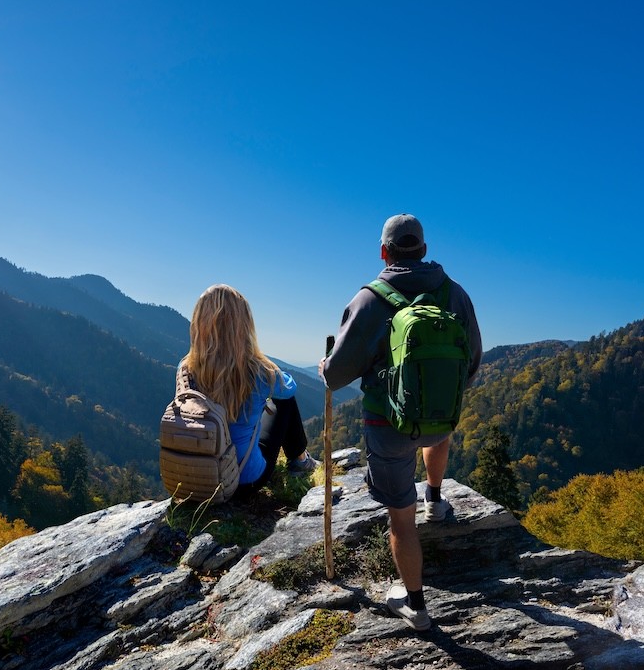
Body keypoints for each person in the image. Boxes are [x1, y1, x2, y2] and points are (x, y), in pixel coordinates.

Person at [319, 214, 481, 630]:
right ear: (424, 250)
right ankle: (435, 498)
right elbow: (472, 362)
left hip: (386, 426)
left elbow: (337, 376)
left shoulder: (370, 300)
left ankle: (416, 606)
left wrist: (325, 366)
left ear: (384, 252)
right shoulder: (455, 295)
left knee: (400, 521)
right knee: (436, 431)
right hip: (441, 419)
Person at [182, 284, 318, 500]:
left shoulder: (187, 369)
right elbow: (289, 388)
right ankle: (300, 461)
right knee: (284, 402)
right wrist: (265, 362)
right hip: (244, 480)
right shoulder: (256, 370)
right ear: (243, 325)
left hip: (198, 480)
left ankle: (300, 460)